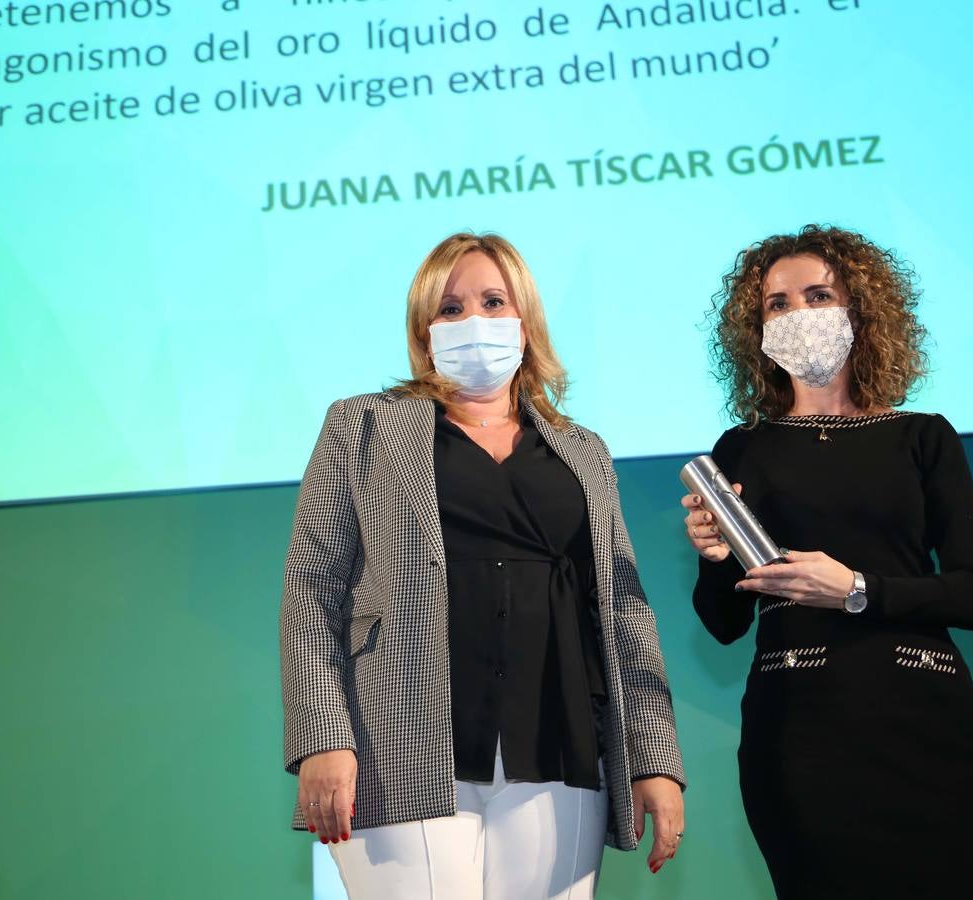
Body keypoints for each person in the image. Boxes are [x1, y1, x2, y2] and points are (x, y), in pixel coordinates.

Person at [282, 232, 686, 899]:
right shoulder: (362, 427)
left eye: (493, 301)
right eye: (450, 308)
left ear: (525, 320)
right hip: (400, 743)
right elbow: (312, 589)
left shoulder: (583, 451)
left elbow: (622, 610)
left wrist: (654, 761)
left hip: (559, 743)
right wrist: (322, 737)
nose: (474, 321)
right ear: (424, 330)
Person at [682, 225, 973, 899]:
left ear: (860, 311)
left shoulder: (923, 437)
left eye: (817, 294)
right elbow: (723, 621)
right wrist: (718, 557)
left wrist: (857, 590)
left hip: (928, 723)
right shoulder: (740, 449)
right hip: (800, 735)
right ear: (756, 327)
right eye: (777, 304)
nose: (798, 315)